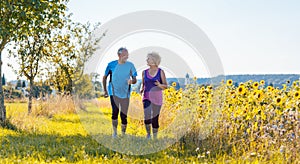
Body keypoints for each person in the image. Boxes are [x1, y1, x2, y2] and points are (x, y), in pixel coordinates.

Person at [102, 47, 137, 138]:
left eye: (127, 54)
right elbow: (104, 77)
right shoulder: (111, 65)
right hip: (113, 92)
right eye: (125, 54)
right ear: (119, 55)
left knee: (124, 115)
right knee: (115, 112)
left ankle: (123, 134)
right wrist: (105, 91)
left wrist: (131, 81)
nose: (127, 56)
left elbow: (135, 79)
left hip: (125, 93)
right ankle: (114, 133)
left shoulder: (130, 65)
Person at [140, 52, 168, 139]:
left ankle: (155, 137)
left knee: (155, 118)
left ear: (154, 60)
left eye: (148, 58)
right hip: (147, 97)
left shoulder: (161, 72)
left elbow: (165, 86)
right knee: (147, 116)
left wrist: (160, 85)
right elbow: (143, 83)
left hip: (157, 98)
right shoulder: (144, 72)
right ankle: (148, 135)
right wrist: (141, 89)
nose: (147, 60)